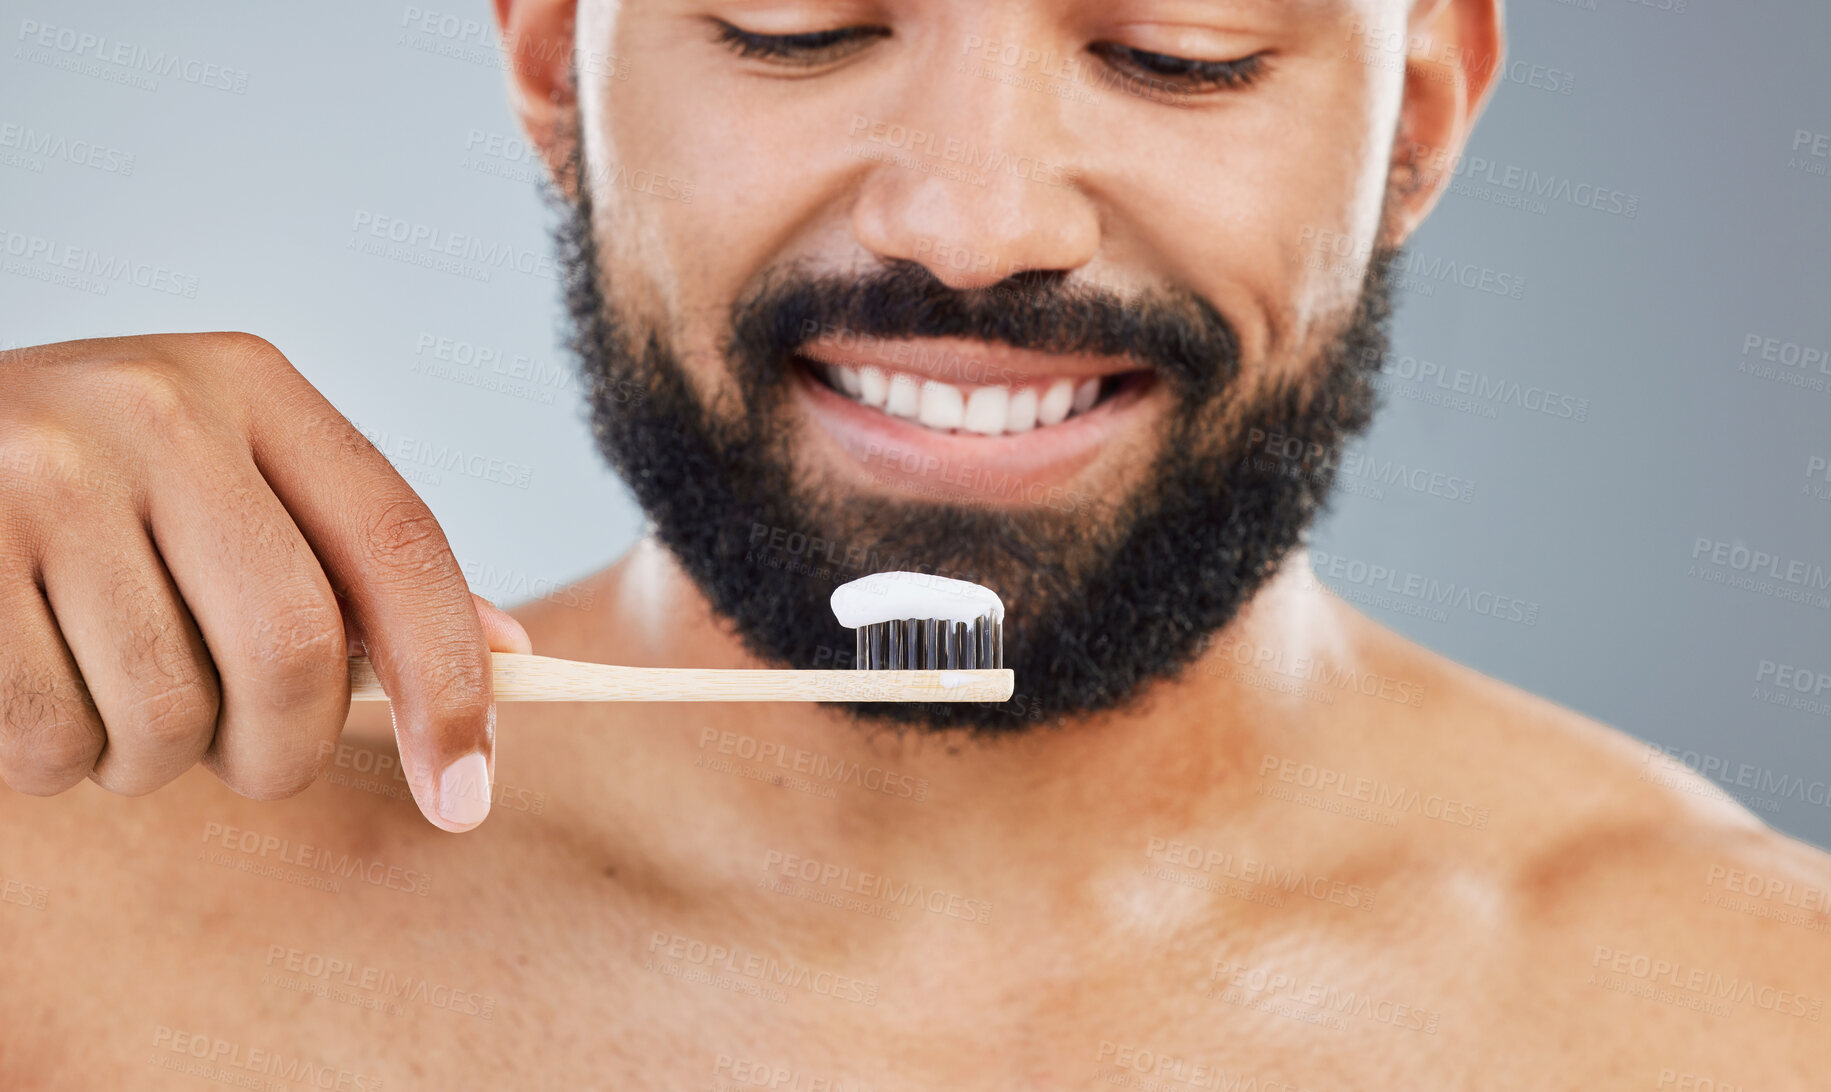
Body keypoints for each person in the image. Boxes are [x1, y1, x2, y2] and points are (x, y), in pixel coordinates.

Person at [3, 0, 1827, 1086]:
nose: (972, 226)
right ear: (557, 56)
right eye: (800, 26)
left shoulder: (1760, 1026)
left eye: (1170, 52)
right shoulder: (51, 931)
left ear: (1416, 113)